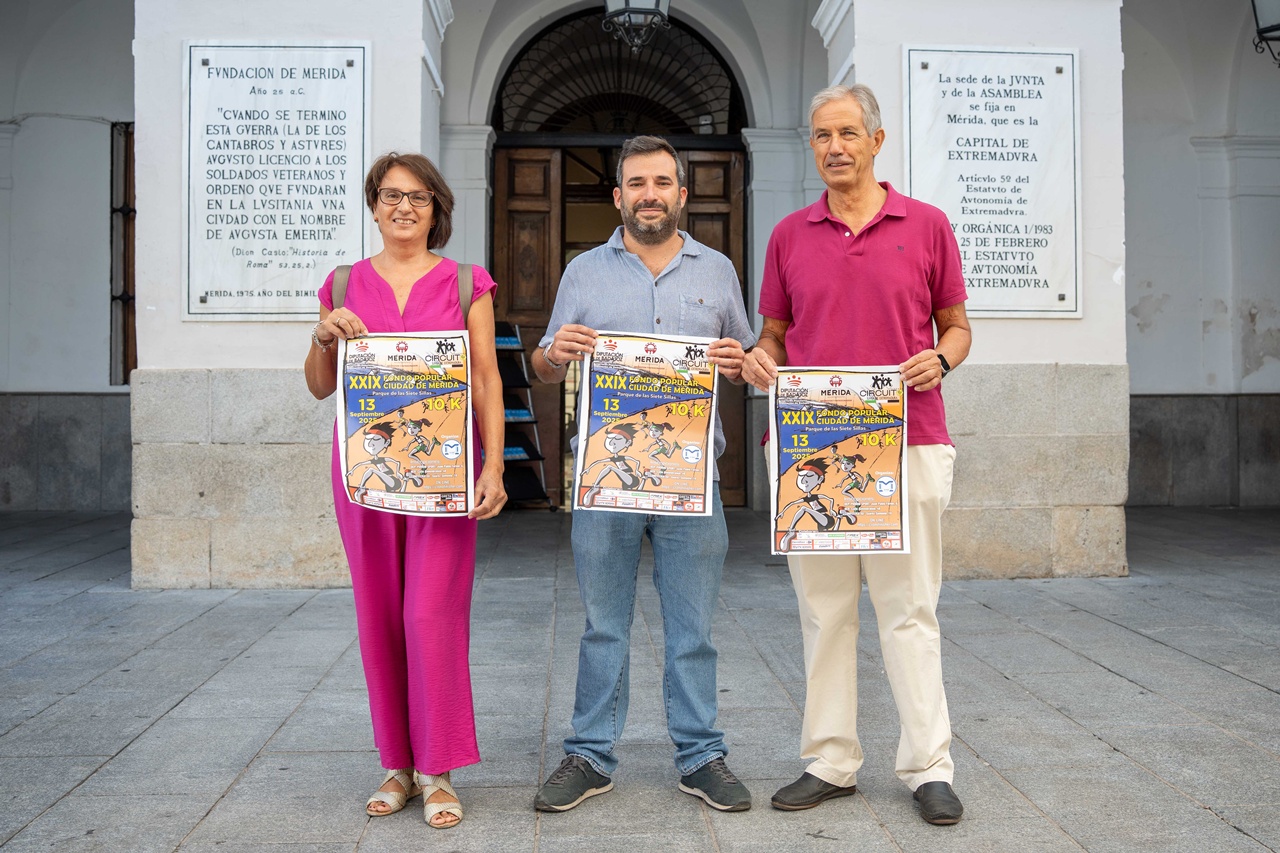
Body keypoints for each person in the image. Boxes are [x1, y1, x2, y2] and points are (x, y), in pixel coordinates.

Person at [741, 84, 972, 826]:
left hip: (909, 442)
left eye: (846, 133)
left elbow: (957, 326)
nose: (834, 147)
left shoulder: (927, 225)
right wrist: (761, 358)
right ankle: (830, 760)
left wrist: (942, 357)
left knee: (910, 610)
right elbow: (774, 335)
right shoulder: (789, 235)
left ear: (876, 140)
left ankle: (929, 766)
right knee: (824, 610)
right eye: (821, 135)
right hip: (811, 448)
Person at [531, 135, 757, 813]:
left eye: (661, 182)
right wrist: (555, 353)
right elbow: (544, 364)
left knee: (694, 626)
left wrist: (737, 362)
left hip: (692, 480)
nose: (649, 194)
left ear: (682, 194)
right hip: (606, 478)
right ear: (618, 196)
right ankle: (590, 753)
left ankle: (701, 754)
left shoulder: (717, 270)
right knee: (604, 623)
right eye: (637, 183)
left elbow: (749, 358)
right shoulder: (582, 272)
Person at [304, 151, 507, 829]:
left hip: (444, 472)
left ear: (436, 209)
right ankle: (397, 764)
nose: (403, 208)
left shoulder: (466, 282)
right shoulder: (341, 283)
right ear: (373, 205)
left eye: (418, 197)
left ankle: (438, 768)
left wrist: (494, 467)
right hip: (364, 476)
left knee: (429, 614)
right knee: (379, 616)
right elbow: (320, 386)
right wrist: (322, 336)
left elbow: (487, 378)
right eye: (391, 195)